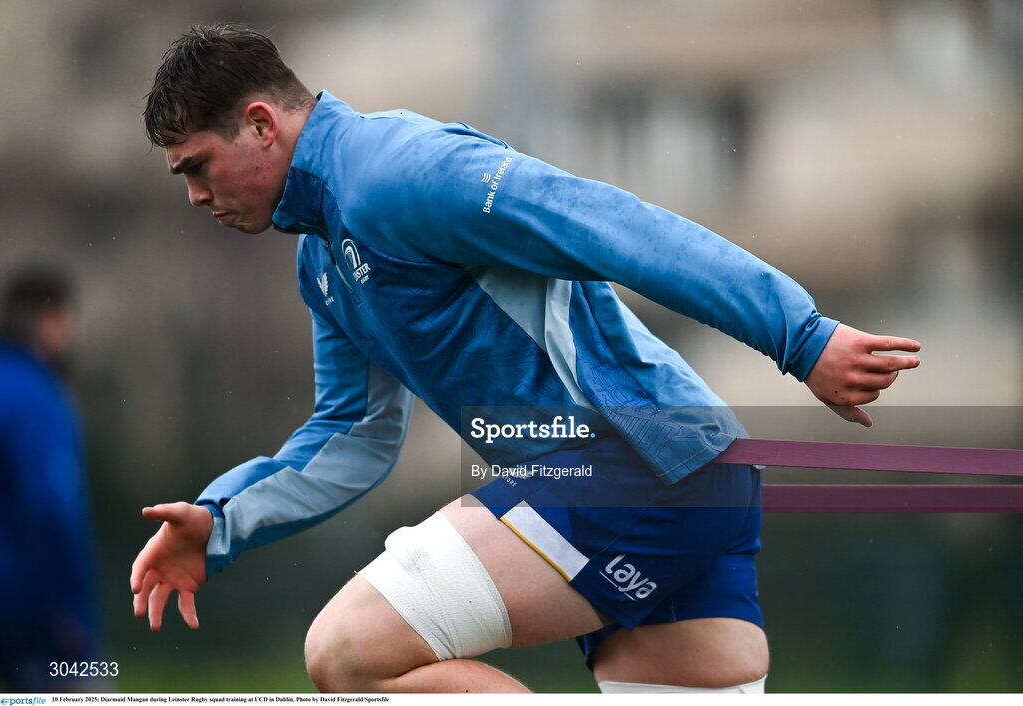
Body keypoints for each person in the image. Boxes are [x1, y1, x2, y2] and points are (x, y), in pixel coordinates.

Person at [131, 24, 921, 694]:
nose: (196, 197)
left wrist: (801, 336)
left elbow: (608, 223)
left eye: (196, 165)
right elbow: (353, 432)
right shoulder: (323, 261)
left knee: (350, 652)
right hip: (691, 476)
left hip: (635, 462)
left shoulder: (397, 172)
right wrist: (224, 520)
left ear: (262, 125)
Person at [0, 267, 103, 691]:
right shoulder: (38, 397)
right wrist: (71, 616)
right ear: (50, 318)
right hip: (36, 623)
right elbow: (54, 508)